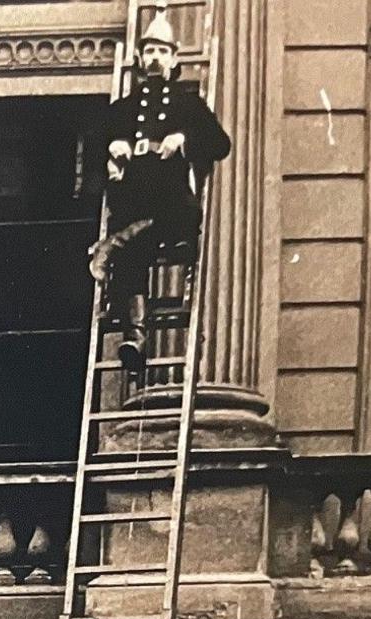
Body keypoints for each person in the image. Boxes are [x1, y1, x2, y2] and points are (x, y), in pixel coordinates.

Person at [90, 11, 232, 373]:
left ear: (173, 59)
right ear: (140, 59)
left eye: (161, 51)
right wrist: (111, 150)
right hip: (134, 203)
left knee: (152, 231)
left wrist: (185, 139)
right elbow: (90, 152)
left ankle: (113, 245)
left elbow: (220, 144)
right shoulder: (121, 111)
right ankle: (136, 338)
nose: (154, 57)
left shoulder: (189, 106)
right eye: (149, 51)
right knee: (134, 254)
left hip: (173, 205)